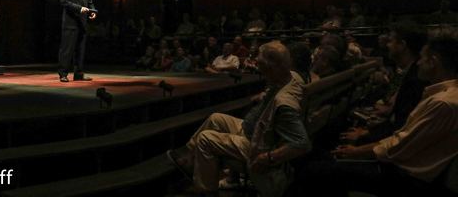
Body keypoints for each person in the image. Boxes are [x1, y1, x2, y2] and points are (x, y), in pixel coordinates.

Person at [296, 34, 458, 197]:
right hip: (402, 167)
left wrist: (358, 151)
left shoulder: (443, 103)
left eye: (422, 58)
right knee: (322, 160)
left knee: (311, 170)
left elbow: (399, 147)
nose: (419, 63)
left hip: (406, 178)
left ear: (434, 62)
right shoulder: (443, 96)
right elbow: (402, 139)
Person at [167, 41, 311, 196]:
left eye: (262, 70)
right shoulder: (290, 76)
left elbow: (302, 144)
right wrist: (266, 94)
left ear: (272, 69)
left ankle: (206, 191)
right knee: (216, 118)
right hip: (254, 130)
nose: (261, 74)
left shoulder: (284, 104)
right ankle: (190, 160)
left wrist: (267, 158)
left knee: (205, 139)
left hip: (258, 145)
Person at [58, 0, 96, 82]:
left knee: (80, 50)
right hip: (70, 23)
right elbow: (64, 2)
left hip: (82, 23)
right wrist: (79, 8)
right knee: (67, 49)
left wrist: (92, 11)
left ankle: (78, 74)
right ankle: (63, 74)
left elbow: (89, 3)